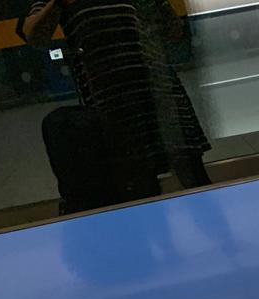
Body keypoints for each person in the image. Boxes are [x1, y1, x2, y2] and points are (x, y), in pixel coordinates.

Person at [23, 0, 213, 212]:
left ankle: (221, 238)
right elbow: (34, 36)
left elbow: (173, 31)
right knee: (138, 182)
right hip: (114, 100)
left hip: (156, 87)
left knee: (188, 169)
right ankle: (164, 240)